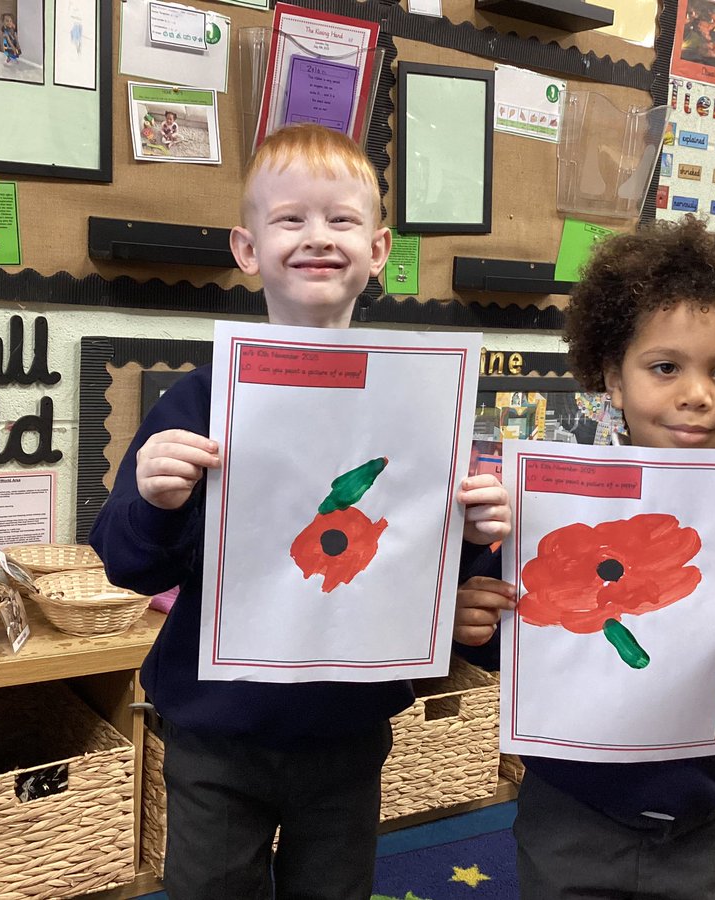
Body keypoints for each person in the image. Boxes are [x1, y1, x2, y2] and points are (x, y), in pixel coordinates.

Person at [89, 123, 511, 900]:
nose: (317, 236)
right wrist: (152, 498)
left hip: (347, 727)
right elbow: (127, 563)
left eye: (341, 219)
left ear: (377, 249)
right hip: (216, 726)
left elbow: (429, 571)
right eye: (291, 219)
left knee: (335, 890)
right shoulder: (198, 401)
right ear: (247, 249)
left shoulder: (419, 405)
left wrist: (477, 536)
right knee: (212, 889)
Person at [454, 215, 715, 900]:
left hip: (708, 818)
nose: (695, 394)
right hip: (572, 810)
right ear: (614, 376)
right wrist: (476, 624)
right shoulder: (550, 505)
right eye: (665, 367)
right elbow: (506, 639)